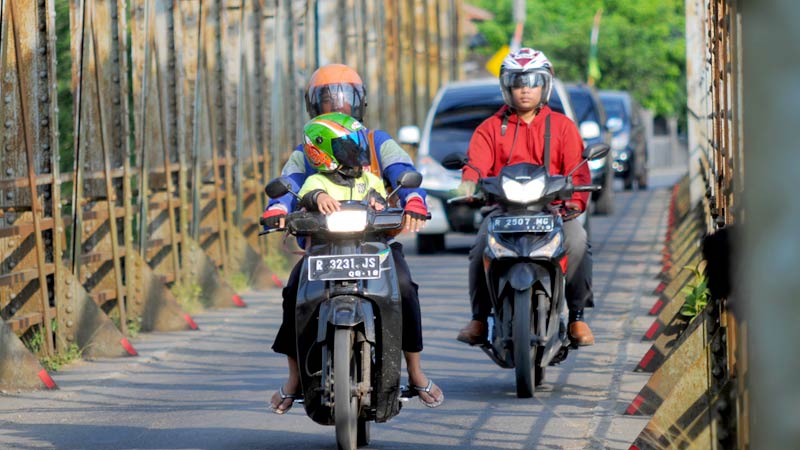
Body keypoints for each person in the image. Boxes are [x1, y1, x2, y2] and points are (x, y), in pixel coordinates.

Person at [263, 66, 443, 413]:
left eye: (344, 97)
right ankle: (295, 378)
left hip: (376, 245)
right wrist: (277, 210)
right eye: (328, 98)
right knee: (293, 292)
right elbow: (290, 185)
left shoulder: (375, 142)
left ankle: (416, 373)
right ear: (314, 105)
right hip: (323, 246)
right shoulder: (307, 150)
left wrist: (414, 201)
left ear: (359, 101)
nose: (338, 104)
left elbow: (401, 174)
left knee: (404, 287)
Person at [455, 47, 596, 347]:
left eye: (532, 82)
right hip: (503, 213)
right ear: (507, 87)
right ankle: (479, 318)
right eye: (517, 83)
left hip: (552, 212)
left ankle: (577, 318)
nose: (524, 90)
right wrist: (469, 185)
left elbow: (578, 171)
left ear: (544, 85)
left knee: (578, 240)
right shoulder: (490, 128)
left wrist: (574, 201)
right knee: (481, 245)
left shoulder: (562, 126)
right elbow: (474, 165)